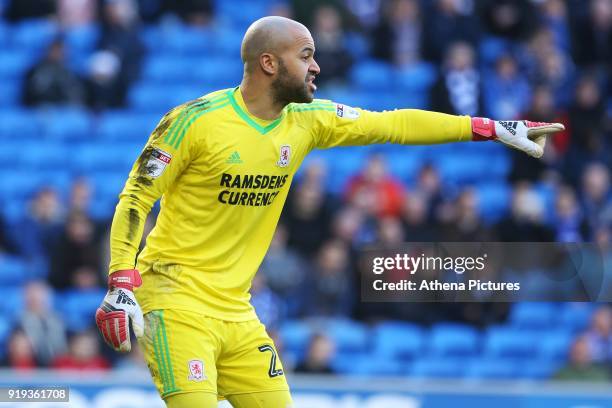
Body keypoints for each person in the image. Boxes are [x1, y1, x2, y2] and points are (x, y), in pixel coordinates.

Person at [94, 16, 564, 408]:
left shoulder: (307, 121)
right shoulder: (193, 122)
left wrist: (489, 127)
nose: (317, 66)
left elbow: (394, 124)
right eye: (305, 55)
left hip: (237, 312)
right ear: (268, 63)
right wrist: (120, 282)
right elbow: (136, 197)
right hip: (175, 302)